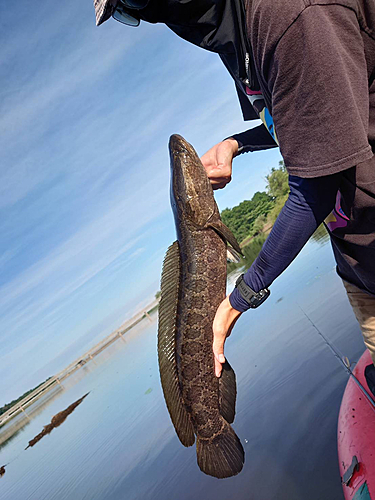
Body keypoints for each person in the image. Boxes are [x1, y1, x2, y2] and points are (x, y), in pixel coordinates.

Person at [93, 0, 375, 384]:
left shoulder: (287, 14)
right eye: (129, 11)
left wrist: (239, 299)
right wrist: (235, 144)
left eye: (132, 3)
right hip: (358, 261)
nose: (150, 16)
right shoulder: (238, 43)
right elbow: (304, 117)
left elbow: (316, 187)